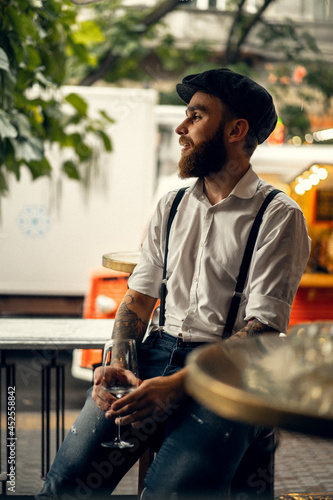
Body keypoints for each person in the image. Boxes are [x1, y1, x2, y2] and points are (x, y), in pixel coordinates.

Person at [36, 68, 310, 500]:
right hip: (156, 351)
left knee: (170, 494)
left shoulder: (279, 216)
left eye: (196, 116)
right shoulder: (173, 204)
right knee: (65, 485)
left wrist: (179, 385)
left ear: (236, 130)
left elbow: (263, 331)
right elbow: (140, 299)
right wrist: (122, 363)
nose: (182, 129)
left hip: (230, 372)